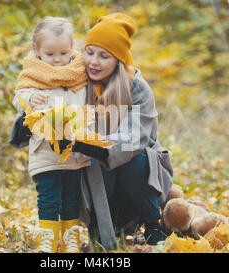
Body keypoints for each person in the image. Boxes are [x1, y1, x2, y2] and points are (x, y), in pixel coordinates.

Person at [69, 13, 174, 249]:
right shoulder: (78, 82)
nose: (93, 62)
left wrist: (96, 145)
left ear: (118, 60)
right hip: (98, 183)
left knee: (127, 152)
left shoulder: (137, 88)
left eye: (104, 56)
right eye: (90, 52)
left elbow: (134, 138)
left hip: (140, 184)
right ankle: (99, 226)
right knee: (93, 157)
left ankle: (153, 224)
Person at [11, 16, 90, 253]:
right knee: (48, 196)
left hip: (73, 152)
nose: (57, 60)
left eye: (63, 53)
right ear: (37, 51)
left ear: (72, 49)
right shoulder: (32, 76)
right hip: (44, 151)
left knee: (71, 198)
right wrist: (31, 98)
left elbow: (89, 103)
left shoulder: (79, 75)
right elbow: (18, 98)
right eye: (50, 54)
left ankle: (70, 238)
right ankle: (48, 238)